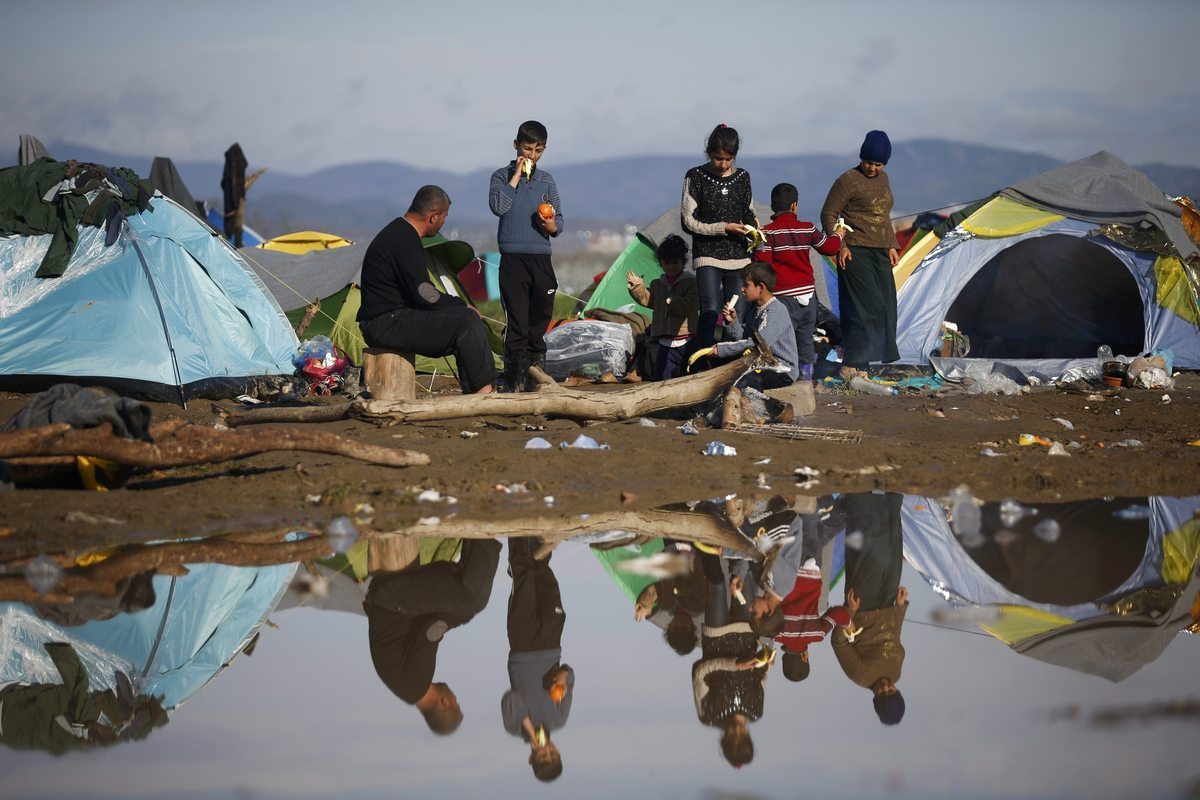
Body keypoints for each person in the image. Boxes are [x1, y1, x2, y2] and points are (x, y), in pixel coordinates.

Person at [356, 185, 496, 394]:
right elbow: (424, 294)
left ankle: (477, 390)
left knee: (464, 316)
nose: (444, 222)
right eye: (444, 216)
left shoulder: (400, 233)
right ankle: (483, 392)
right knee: (465, 321)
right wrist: (462, 304)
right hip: (384, 323)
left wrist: (458, 307)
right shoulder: (404, 239)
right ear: (433, 216)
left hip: (391, 317)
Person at [364, 538, 501, 735]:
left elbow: (430, 630)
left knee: (472, 600)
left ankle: (484, 535)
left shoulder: (417, 683)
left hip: (392, 600)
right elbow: (428, 626)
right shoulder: (407, 689)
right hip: (390, 600)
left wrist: (461, 617)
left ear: (445, 703)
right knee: (464, 604)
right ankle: (476, 538)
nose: (455, 696)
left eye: (456, 701)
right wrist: (459, 617)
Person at [489, 120, 563, 392]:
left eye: (538, 150)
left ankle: (535, 381)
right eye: (527, 148)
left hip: (541, 258)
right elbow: (499, 206)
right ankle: (512, 384)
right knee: (517, 323)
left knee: (539, 321)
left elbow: (559, 221)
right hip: (513, 259)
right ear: (516, 146)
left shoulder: (547, 181)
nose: (532, 155)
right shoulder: (500, 177)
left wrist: (552, 227)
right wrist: (516, 177)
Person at [819, 130, 901, 380]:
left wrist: (892, 245)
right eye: (869, 162)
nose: (873, 168)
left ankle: (863, 364)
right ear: (861, 157)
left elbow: (883, 217)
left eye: (878, 164)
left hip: (880, 252)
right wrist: (839, 245)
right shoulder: (848, 180)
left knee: (886, 307)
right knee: (864, 308)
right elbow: (828, 214)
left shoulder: (884, 179)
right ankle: (851, 363)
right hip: (854, 252)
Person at [830, 492, 908, 725]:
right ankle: (891, 494)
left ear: (875, 698)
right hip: (888, 600)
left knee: (871, 550)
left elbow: (838, 641)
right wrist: (901, 608)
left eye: (882, 694)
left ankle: (861, 495)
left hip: (863, 605)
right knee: (892, 548)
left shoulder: (860, 676)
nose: (886, 687)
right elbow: (894, 636)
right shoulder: (896, 673)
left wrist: (849, 611)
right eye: (891, 692)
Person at [681, 124, 759, 356]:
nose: (723, 164)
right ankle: (701, 363)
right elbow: (688, 221)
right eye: (718, 159)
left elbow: (748, 211)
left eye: (729, 159)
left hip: (739, 258)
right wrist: (722, 228)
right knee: (710, 311)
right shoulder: (695, 177)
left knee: (735, 314)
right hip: (707, 256)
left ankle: (730, 366)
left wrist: (753, 227)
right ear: (709, 153)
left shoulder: (743, 177)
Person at [501, 537, 574, 782]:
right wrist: (563, 677)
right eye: (553, 756)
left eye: (543, 758)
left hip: (522, 643)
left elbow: (511, 698)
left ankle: (517, 520)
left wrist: (530, 730)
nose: (547, 752)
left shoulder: (514, 728)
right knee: (543, 572)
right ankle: (540, 524)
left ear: (532, 757)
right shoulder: (560, 719)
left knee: (523, 575)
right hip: (552, 642)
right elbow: (570, 675)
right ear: (558, 752)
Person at [755, 183, 842, 382]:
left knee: (783, 341)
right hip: (808, 297)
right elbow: (830, 248)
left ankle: (785, 378)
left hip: (784, 298)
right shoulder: (808, 228)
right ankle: (806, 379)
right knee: (805, 341)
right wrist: (839, 234)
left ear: (772, 206)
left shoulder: (769, 233)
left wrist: (756, 240)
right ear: (795, 206)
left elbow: (763, 264)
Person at [692, 552, 768, 769]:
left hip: (716, 636)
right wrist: (765, 663)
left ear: (723, 739)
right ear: (747, 736)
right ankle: (739, 536)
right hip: (746, 632)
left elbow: (699, 673)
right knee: (742, 578)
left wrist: (732, 664)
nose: (736, 730)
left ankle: (705, 540)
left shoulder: (708, 715)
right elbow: (760, 673)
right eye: (741, 735)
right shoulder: (756, 710)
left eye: (731, 736)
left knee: (716, 583)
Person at [693, 263, 799, 393]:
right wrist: (732, 322)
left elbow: (758, 344)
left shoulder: (776, 310)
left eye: (746, 285)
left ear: (761, 287)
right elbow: (745, 338)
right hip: (762, 364)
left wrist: (721, 349)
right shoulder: (755, 309)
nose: (742, 289)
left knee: (747, 381)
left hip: (781, 370)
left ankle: (754, 410)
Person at [625, 234, 700, 380]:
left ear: (683, 261)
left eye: (675, 262)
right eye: (666, 263)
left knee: (687, 376)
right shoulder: (657, 284)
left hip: (686, 338)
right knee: (663, 377)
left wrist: (672, 301)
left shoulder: (690, 282)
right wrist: (637, 288)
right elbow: (649, 300)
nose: (671, 266)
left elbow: (691, 305)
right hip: (664, 340)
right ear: (661, 263)